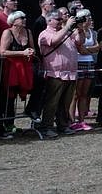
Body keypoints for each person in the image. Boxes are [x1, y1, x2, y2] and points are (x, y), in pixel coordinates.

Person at [38, 10, 83, 138]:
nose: (61, 21)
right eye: (58, 19)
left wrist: (80, 30)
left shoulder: (66, 32)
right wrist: (67, 27)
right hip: (55, 74)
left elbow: (79, 42)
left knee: (65, 102)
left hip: (70, 73)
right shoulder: (45, 34)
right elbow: (53, 41)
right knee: (52, 102)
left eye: (61, 19)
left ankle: (63, 125)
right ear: (49, 21)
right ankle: (46, 127)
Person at [0, 10, 35, 138]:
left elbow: (32, 48)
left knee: (35, 88)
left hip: (25, 69)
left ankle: (30, 112)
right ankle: (8, 124)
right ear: (13, 21)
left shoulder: (28, 32)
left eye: (25, 17)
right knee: (10, 97)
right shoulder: (7, 32)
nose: (24, 19)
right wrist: (22, 53)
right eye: (21, 18)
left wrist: (31, 52)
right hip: (11, 69)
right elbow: (3, 52)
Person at [70, 10, 97, 131]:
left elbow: (98, 47)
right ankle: (72, 121)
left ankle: (82, 120)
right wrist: (90, 49)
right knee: (75, 94)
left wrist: (87, 49)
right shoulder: (76, 31)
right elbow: (80, 49)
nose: (90, 18)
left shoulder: (92, 32)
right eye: (87, 17)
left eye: (90, 16)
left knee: (84, 94)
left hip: (89, 63)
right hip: (78, 62)